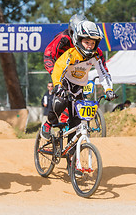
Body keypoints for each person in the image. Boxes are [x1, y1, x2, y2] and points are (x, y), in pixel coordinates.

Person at [40, 21, 117, 167]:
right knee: (60, 102)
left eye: (92, 43)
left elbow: (104, 73)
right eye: (86, 42)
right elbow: (58, 69)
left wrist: (109, 90)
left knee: (77, 121)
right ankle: (48, 124)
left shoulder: (96, 55)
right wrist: (58, 86)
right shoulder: (71, 53)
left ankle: (71, 161)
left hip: (79, 87)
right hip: (65, 82)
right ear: (78, 40)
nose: (89, 45)